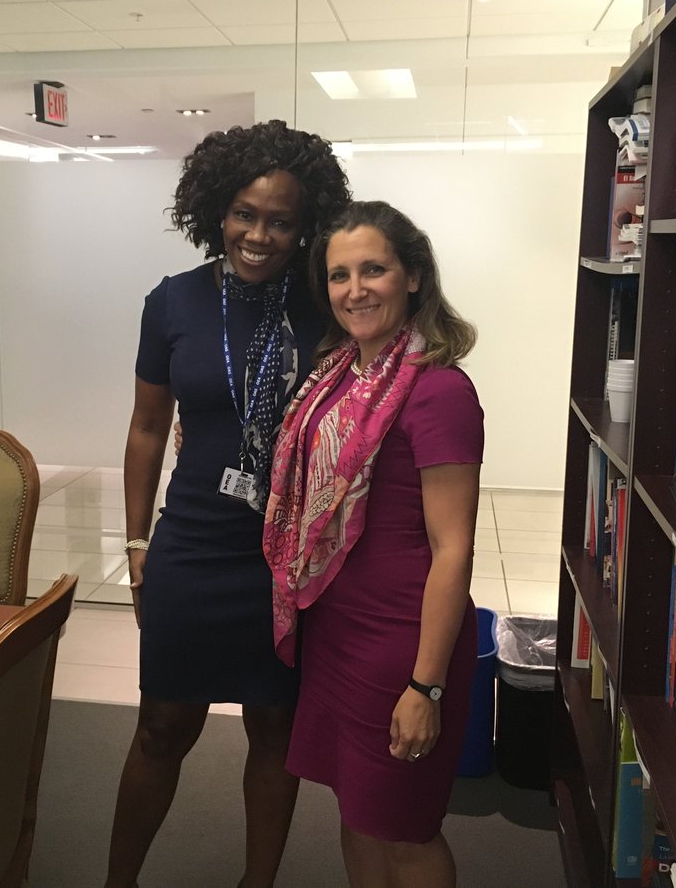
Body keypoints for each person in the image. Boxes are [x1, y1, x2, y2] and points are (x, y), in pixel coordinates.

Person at [107, 120, 351, 888]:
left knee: (275, 728)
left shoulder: (324, 302)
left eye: (281, 220)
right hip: (193, 545)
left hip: (286, 558)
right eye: (245, 214)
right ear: (217, 209)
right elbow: (148, 428)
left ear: (305, 226)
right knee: (161, 726)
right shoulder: (173, 302)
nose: (259, 235)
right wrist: (136, 543)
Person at [263, 200, 483, 887]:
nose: (355, 290)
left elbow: (454, 549)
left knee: (407, 832)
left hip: (401, 646)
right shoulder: (334, 380)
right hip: (336, 633)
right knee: (357, 811)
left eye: (373, 270)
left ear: (413, 276)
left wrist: (426, 684)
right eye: (339, 275)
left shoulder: (438, 391)